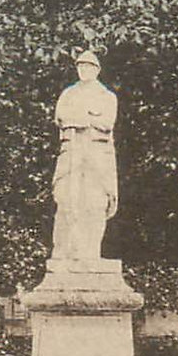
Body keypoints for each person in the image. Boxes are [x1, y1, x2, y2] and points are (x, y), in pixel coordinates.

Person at [50, 50, 119, 261]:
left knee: (95, 202)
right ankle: (65, 252)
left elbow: (106, 122)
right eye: (80, 66)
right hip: (72, 153)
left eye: (89, 66)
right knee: (66, 200)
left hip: (97, 155)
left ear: (97, 70)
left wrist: (81, 120)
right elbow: (61, 117)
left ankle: (91, 254)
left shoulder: (106, 96)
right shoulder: (68, 94)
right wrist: (85, 119)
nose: (84, 70)